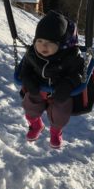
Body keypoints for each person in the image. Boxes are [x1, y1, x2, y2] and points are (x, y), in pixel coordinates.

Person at [19, 10, 84, 148]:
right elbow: (25, 69)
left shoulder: (70, 57)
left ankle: (56, 131)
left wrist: (68, 84)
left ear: (61, 44)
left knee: (60, 113)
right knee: (29, 104)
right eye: (40, 41)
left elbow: (78, 74)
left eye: (50, 42)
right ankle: (36, 125)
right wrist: (27, 79)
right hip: (39, 87)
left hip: (60, 91)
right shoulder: (32, 54)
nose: (43, 45)